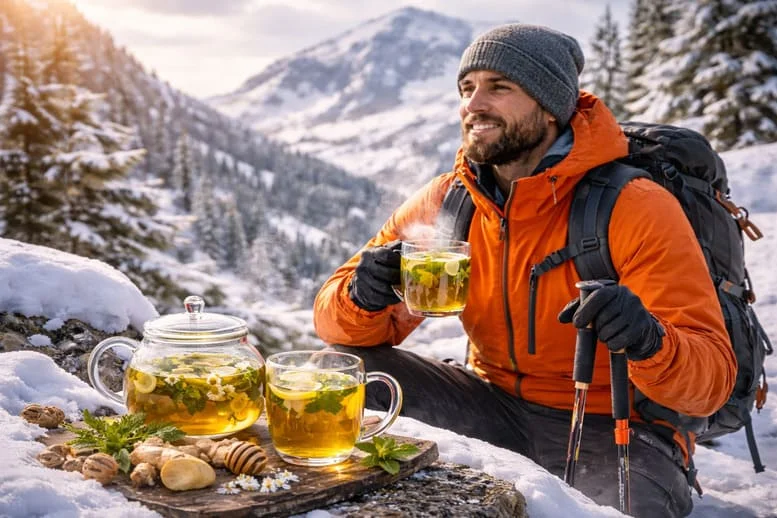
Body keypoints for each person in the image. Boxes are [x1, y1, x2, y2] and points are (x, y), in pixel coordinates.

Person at [313, 23, 736, 518]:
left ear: (549, 106)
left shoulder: (633, 205)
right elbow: (331, 322)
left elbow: (710, 383)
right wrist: (361, 296)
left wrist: (648, 339)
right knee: (338, 372)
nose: (474, 105)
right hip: (491, 405)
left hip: (613, 423)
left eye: (500, 87)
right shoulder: (452, 200)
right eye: (467, 89)